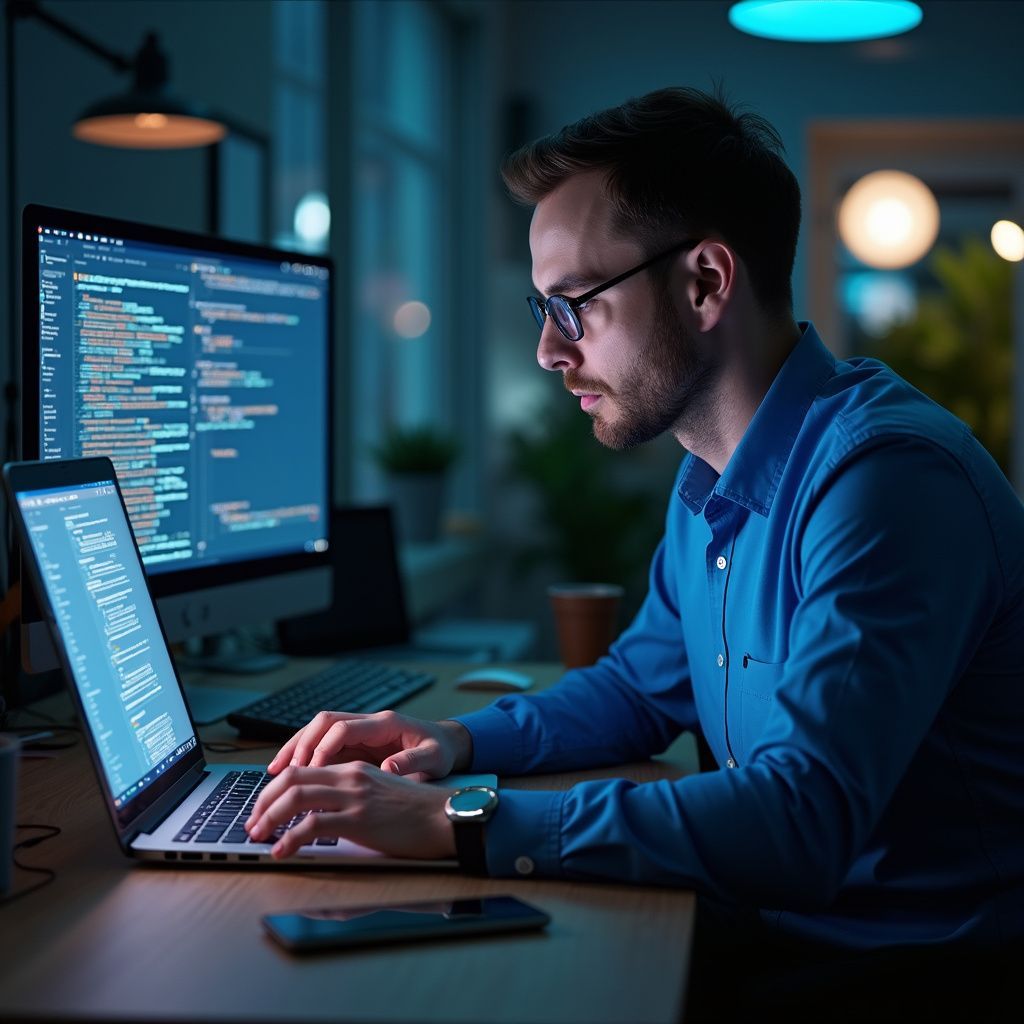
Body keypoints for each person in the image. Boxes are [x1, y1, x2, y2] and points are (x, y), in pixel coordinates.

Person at [246, 87, 1023, 1020]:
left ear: (704, 283)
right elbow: (636, 689)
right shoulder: (711, 478)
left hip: (915, 973)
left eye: (572, 304)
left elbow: (802, 821)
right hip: (785, 928)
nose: (546, 350)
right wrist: (450, 743)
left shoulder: (884, 481)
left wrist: (462, 819)